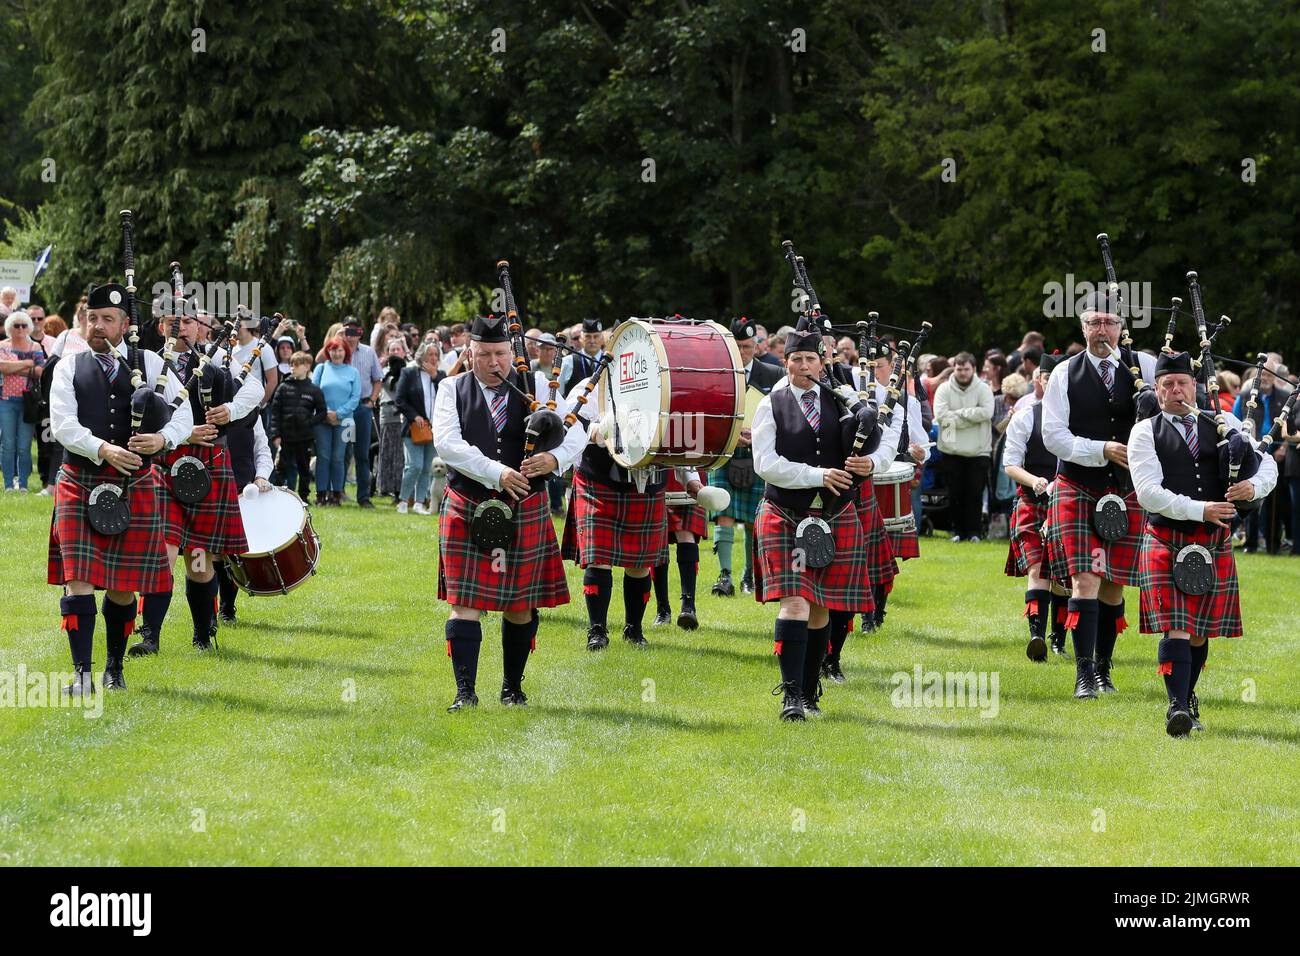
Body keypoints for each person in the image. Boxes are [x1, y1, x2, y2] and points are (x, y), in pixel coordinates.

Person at [432, 313, 588, 711]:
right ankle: (465, 693)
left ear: (512, 352)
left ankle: (512, 688)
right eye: (484, 354)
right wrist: (497, 472)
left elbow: (579, 429)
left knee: (521, 603)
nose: (494, 362)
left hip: (526, 508)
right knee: (464, 601)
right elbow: (447, 443)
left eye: (500, 353)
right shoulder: (452, 388)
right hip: (468, 502)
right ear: (470, 354)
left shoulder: (536, 384)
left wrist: (554, 459)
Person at [47, 283, 193, 694]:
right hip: (80, 480)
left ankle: (115, 669)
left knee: (123, 584)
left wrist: (162, 440)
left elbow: (184, 415)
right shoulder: (68, 367)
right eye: (91, 318)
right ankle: (81, 674)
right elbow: (63, 425)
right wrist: (104, 449)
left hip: (134, 485)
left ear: (125, 324)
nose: (97, 326)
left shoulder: (150, 363)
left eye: (107, 319)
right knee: (77, 580)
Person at [1129, 351, 1277, 735]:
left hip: (1213, 543)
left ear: (1194, 386)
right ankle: (1176, 706)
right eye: (1167, 386)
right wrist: (1202, 509)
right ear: (1157, 391)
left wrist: (1253, 486)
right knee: (1176, 626)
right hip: (1166, 537)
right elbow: (1147, 493)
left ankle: (1188, 696)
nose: (1176, 391)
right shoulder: (1144, 432)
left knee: (1198, 630)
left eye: (1182, 384)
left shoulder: (1223, 422)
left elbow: (1267, 465)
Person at [751, 326, 875, 721]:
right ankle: (790, 698)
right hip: (785, 513)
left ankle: (808, 693)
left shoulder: (843, 401)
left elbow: (885, 437)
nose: (804, 365)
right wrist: (818, 475)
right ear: (784, 362)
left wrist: (870, 462)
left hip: (834, 514)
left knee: (822, 607)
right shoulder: (770, 404)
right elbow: (765, 464)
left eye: (810, 359)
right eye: (796, 359)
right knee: (795, 601)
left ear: (822, 363)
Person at [131, 298, 264, 656]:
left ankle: (203, 634)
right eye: (174, 321)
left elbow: (255, 390)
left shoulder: (219, 356)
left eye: (188, 321)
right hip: (166, 461)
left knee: (200, 558)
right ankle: (150, 635)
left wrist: (230, 410)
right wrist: (183, 432)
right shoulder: (148, 362)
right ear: (161, 327)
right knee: (163, 553)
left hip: (208, 464)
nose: (182, 327)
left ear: (199, 326)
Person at [1041, 291, 1157, 700]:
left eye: (1109, 323)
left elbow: (1172, 418)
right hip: (1078, 486)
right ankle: (1084, 673)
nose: (1102, 330)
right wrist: (1101, 449)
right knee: (1085, 579)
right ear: (1083, 328)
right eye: (1094, 323)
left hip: (1129, 490)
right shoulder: (1063, 373)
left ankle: (1105, 668)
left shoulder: (1145, 367)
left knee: (1113, 584)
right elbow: (1053, 436)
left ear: (1122, 328)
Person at [561, 322, 668, 652]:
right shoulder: (592, 383)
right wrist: (591, 428)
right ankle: (597, 630)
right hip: (599, 479)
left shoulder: (661, 386)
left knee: (639, 562)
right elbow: (568, 418)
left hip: (645, 483)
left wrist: (691, 480)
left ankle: (634, 629)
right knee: (598, 558)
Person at [708, 319, 783, 595]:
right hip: (725, 450)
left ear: (757, 346)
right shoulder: (718, 373)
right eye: (738, 346)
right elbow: (710, 410)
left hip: (759, 452)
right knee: (723, 511)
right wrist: (730, 431)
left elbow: (781, 413)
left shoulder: (774, 374)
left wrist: (759, 433)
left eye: (748, 346)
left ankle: (749, 576)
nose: (743, 351)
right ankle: (724, 575)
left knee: (755, 517)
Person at [1002, 354, 1069, 659]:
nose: (1049, 381)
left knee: (1065, 577)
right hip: (1033, 501)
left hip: (1069, 504)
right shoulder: (1026, 416)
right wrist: (1037, 481)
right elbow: (1010, 464)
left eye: (1056, 376)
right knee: (1038, 571)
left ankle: (1058, 638)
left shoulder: (1078, 419)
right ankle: (1037, 637)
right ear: (1038, 379)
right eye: (1045, 376)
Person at [1231, 355, 1291, 552]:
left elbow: (1289, 427)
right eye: (1262, 373)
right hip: (1251, 453)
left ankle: (1273, 544)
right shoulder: (1247, 394)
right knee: (1249, 499)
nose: (1265, 378)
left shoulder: (1284, 397)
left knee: (1275, 502)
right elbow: (1235, 423)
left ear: (1275, 376)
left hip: (1278, 452)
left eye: (1269, 374)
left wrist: (1283, 448)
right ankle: (1251, 543)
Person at [933, 352, 994, 542]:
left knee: (974, 494)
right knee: (955, 494)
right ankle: (957, 532)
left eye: (966, 369)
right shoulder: (944, 389)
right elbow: (942, 416)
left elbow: (987, 413)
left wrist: (958, 415)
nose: (962, 373)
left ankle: (975, 533)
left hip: (979, 451)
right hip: (951, 450)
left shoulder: (983, 389)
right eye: (959, 369)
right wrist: (971, 418)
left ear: (974, 369)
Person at [651, 468, 706, 629]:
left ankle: (688, 607)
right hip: (654, 469)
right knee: (657, 537)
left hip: (690, 463)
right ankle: (663, 609)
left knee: (686, 531)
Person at [270, 351, 327, 500]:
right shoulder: (283, 387)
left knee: (304, 468)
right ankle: (278, 496)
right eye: (291, 365)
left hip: (304, 437)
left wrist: (309, 423)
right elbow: (275, 413)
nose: (292, 368)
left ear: (307, 366)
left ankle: (303, 497)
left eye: (296, 365)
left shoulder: (314, 390)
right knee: (281, 468)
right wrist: (275, 434)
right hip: (286, 437)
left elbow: (322, 412)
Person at [339, 316, 383, 507]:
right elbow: (319, 360)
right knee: (343, 452)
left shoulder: (368, 352)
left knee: (362, 454)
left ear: (360, 333)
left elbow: (378, 379)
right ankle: (337, 492)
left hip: (362, 409)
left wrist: (372, 400)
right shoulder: (336, 350)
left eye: (354, 331)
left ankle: (363, 497)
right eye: (347, 331)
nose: (351, 336)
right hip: (344, 409)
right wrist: (337, 337)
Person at [312, 336, 362, 506]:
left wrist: (338, 414)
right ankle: (321, 494)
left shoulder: (353, 372)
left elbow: (355, 398)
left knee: (339, 458)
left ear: (345, 352)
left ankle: (336, 495)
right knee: (323, 456)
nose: (337, 353)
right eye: (333, 350)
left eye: (340, 350)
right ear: (328, 352)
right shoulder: (321, 368)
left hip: (346, 422)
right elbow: (315, 392)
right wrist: (326, 413)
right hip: (322, 419)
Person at [395, 343, 443, 514]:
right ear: (422, 356)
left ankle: (419, 502)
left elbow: (447, 399)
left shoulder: (441, 376)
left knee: (427, 467)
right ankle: (402, 500)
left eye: (436, 354)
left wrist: (435, 376)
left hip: (434, 428)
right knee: (414, 465)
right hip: (413, 428)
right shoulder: (409, 373)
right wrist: (414, 415)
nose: (433, 358)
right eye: (430, 354)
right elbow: (400, 400)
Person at [0, 311, 46, 491]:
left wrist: (12, 368)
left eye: (23, 325)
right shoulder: (2, 345)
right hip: (5, 400)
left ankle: (24, 484)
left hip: (28, 402)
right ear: (9, 327)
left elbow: (40, 371)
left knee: (24, 446)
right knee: (7, 445)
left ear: (29, 327)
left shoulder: (34, 347)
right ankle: (8, 484)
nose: (20, 329)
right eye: (16, 325)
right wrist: (27, 364)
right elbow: (1, 367)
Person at [376, 337, 411, 500]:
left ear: (403, 352)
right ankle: (385, 487)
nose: (395, 352)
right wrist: (382, 364)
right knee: (386, 452)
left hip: (402, 417)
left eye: (398, 349)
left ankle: (399, 489)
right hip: (386, 414)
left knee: (400, 454)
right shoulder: (383, 372)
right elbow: (375, 380)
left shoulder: (408, 371)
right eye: (392, 350)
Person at [558, 318, 608, 399]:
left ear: (602, 339)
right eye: (588, 336)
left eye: (596, 336)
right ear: (580, 339)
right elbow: (558, 394)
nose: (592, 341)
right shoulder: (568, 362)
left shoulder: (610, 361)